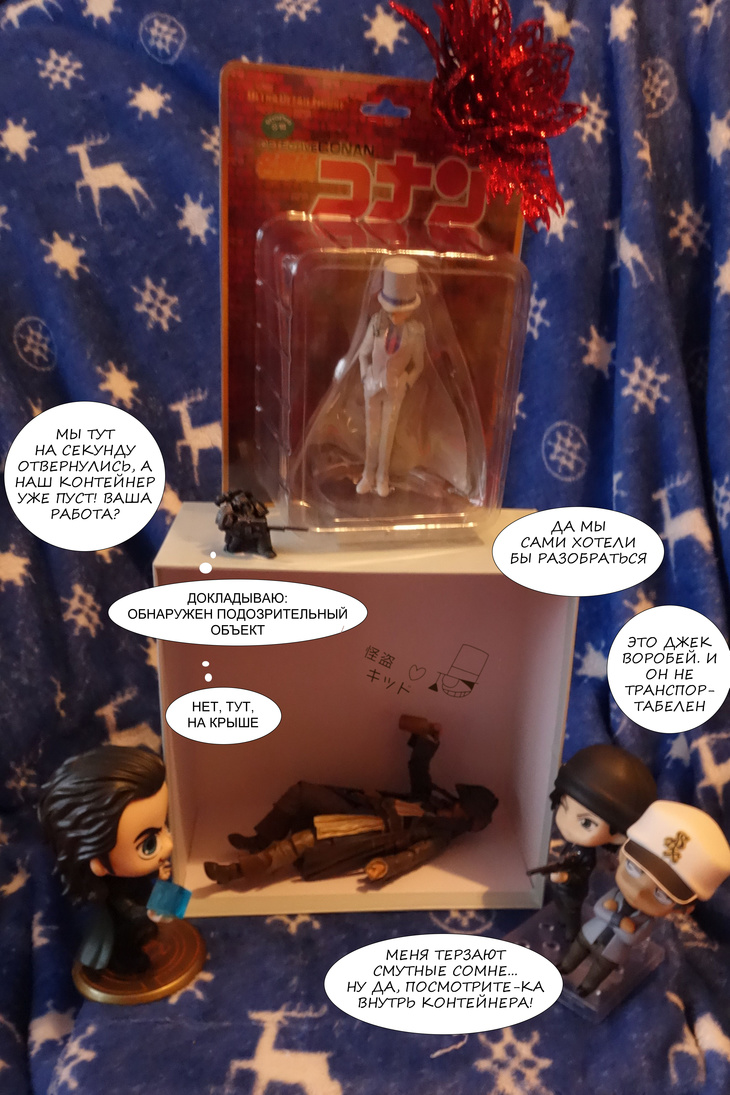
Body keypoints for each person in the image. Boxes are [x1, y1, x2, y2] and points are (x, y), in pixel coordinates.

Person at [204, 715, 498, 887]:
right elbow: (418, 768)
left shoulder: (438, 836)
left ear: (467, 817)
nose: (457, 803)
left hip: (370, 833)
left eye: (463, 805)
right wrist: (430, 739)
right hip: (363, 807)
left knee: (305, 840)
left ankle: (237, 873)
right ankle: (260, 840)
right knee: (302, 791)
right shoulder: (430, 801)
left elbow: (413, 856)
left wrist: (386, 867)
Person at [559, 799, 730, 996]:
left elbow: (634, 938)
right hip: (591, 932)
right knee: (576, 950)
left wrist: (615, 919)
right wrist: (620, 923)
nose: (640, 891)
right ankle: (564, 967)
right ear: (622, 856)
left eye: (662, 895)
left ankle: (586, 988)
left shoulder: (645, 919)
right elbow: (598, 909)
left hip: (613, 951)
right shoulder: (615, 895)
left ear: (683, 909)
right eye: (633, 868)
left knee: (599, 971)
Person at [39, 746, 173, 976]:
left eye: (165, 826)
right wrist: (150, 910)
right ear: (98, 863)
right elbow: (128, 907)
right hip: (126, 920)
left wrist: (158, 876)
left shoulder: (130, 873)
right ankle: (127, 962)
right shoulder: (108, 894)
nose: (169, 844)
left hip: (139, 900)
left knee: (145, 925)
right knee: (129, 936)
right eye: (149, 844)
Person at [530, 744, 657, 941]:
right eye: (563, 806)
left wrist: (565, 877)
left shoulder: (587, 856)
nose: (567, 825)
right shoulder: (575, 846)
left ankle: (572, 934)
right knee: (560, 906)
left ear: (619, 835)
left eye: (586, 823)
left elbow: (582, 875)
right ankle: (562, 921)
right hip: (560, 887)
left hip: (574, 892)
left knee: (571, 913)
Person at [352, 256, 425, 497]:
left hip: (395, 389)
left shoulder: (416, 333)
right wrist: (365, 377)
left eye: (400, 312)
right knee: (371, 436)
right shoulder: (376, 325)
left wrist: (406, 382)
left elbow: (419, 365)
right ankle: (368, 475)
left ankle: (383, 477)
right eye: (392, 311)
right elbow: (363, 354)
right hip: (373, 386)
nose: (395, 316)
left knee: (387, 438)